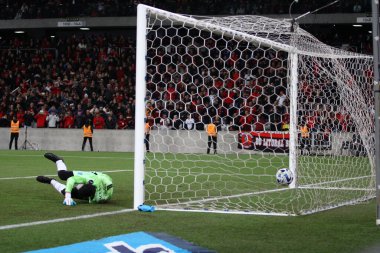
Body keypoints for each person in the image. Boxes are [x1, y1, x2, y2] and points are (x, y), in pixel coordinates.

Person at [36, 153, 113, 206]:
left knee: (67, 192)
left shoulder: (98, 198)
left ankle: (50, 181)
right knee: (62, 175)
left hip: (94, 184)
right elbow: (70, 179)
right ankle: (59, 161)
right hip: (91, 176)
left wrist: (69, 194)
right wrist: (68, 195)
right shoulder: (87, 179)